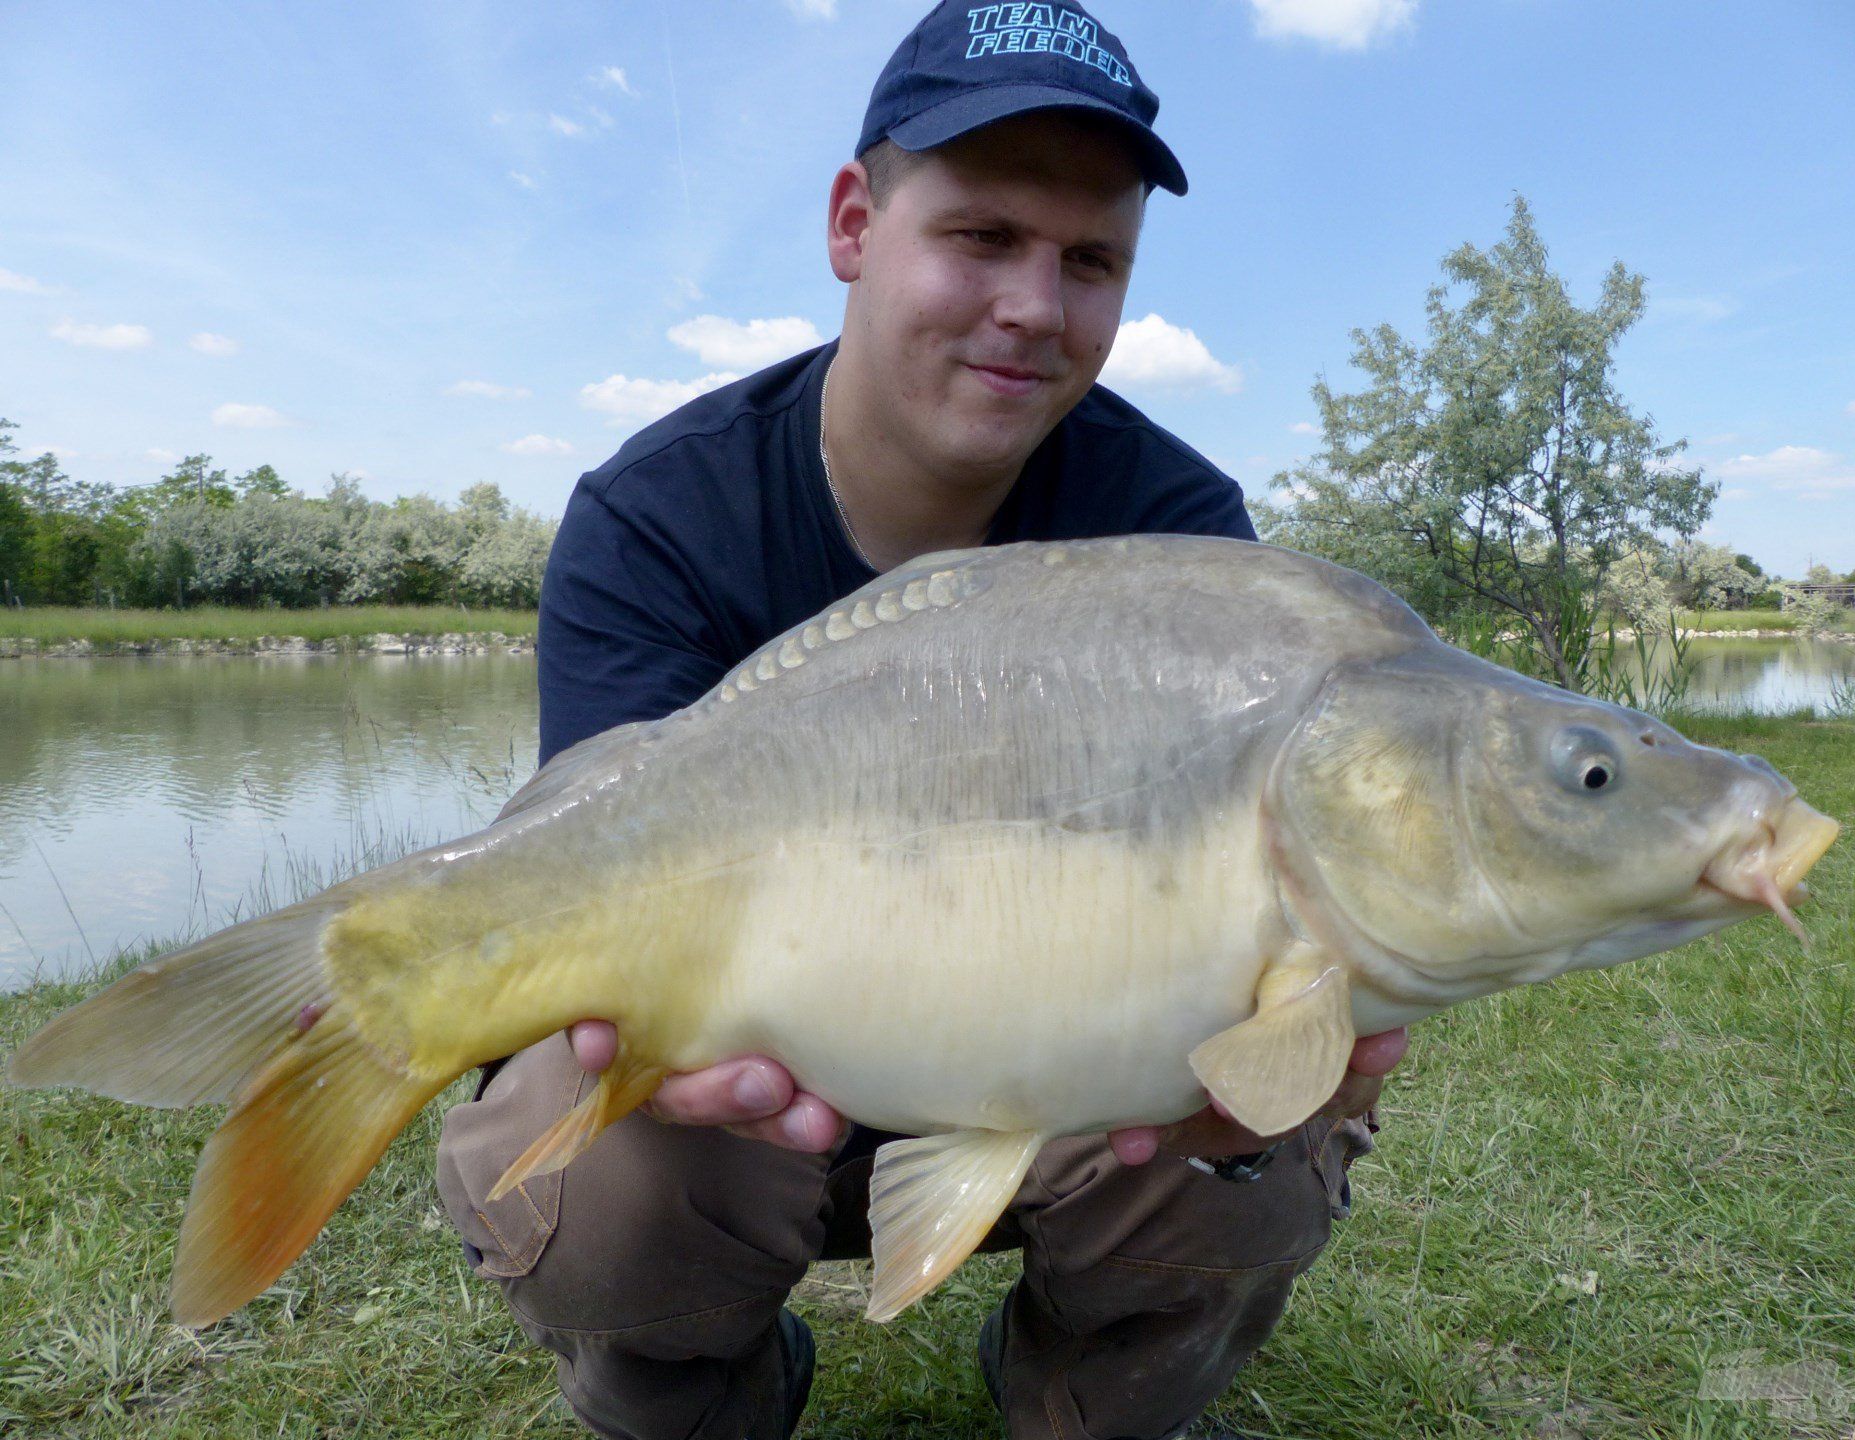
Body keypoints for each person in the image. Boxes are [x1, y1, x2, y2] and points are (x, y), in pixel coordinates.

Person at [435, 3, 1407, 1436]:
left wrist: (1275, 1033)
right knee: (597, 1173)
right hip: (744, 1083)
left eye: (1090, 262)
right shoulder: (657, 516)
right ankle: (703, 1394)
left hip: (1060, 1071)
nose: (1034, 303)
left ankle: (1084, 1397)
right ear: (852, 222)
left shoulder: (1181, 535)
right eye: (982, 236)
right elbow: (580, 869)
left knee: (1265, 1121)